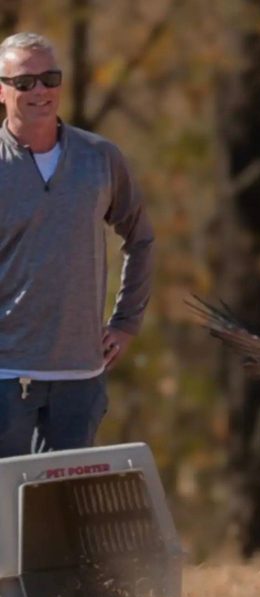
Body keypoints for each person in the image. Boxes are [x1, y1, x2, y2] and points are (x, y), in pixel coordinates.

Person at [0, 32, 154, 457]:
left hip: (80, 378)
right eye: (24, 82)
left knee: (64, 513)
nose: (40, 91)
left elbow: (140, 238)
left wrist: (126, 323)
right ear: (1, 89)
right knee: (5, 512)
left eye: (50, 78)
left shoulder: (99, 158)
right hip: (5, 375)